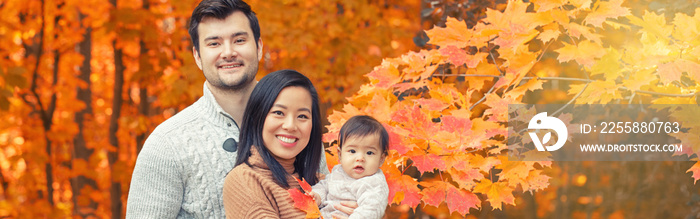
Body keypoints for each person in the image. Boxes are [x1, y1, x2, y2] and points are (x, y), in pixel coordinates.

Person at [125, 1, 329, 218]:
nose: (229, 52)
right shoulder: (168, 143)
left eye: (239, 40)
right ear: (197, 56)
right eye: (214, 44)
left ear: (259, 47)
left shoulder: (297, 128)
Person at [222, 69, 323, 218]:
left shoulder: (322, 183)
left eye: (302, 116)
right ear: (257, 117)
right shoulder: (245, 180)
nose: (290, 126)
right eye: (278, 113)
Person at [310, 115, 390, 219]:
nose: (360, 158)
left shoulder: (374, 183)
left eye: (369, 153)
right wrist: (318, 195)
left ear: (381, 159)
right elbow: (324, 186)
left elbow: (371, 209)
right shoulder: (338, 172)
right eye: (352, 151)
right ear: (340, 154)